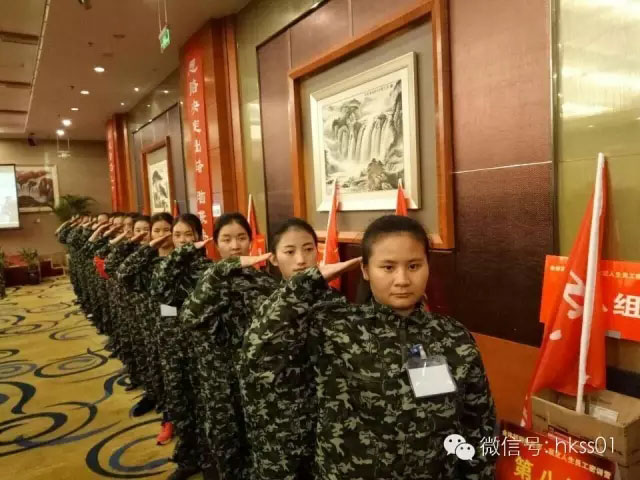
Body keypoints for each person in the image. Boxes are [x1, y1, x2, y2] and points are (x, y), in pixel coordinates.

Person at [242, 215, 497, 479]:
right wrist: (308, 281)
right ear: (365, 270)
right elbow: (258, 349)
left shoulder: (452, 336)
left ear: (427, 267)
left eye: (413, 266)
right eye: (388, 267)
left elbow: (480, 424)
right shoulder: (334, 328)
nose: (402, 279)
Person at [185, 217, 346, 479]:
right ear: (274, 258)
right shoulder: (267, 303)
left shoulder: (334, 303)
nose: (301, 260)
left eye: (308, 249)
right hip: (274, 417)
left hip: (324, 420)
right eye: (289, 252)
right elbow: (192, 319)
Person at [181, 213, 274, 480]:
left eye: (242, 238)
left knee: (257, 439)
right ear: (216, 244)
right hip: (219, 380)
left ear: (251, 241)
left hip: (255, 378)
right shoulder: (206, 280)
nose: (235, 246)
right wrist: (221, 271)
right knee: (225, 441)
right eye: (227, 239)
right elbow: (188, 318)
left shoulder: (265, 282)